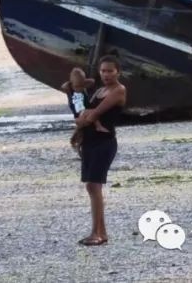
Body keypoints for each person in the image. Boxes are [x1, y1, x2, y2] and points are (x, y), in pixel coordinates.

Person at [73, 55, 126, 246]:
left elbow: (94, 114)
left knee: (95, 186)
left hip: (104, 143)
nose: (106, 74)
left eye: (110, 71)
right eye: (103, 71)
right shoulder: (98, 91)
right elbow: (84, 111)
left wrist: (84, 119)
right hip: (90, 141)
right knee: (90, 186)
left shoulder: (119, 91)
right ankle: (100, 231)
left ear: (118, 72)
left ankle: (97, 232)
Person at [61, 67, 106, 155]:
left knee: (86, 128)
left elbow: (92, 81)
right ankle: (79, 146)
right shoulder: (71, 91)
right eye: (77, 86)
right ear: (72, 83)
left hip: (86, 108)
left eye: (81, 85)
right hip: (79, 111)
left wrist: (83, 82)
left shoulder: (82, 87)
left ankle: (80, 143)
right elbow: (64, 87)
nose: (80, 88)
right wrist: (70, 84)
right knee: (83, 128)